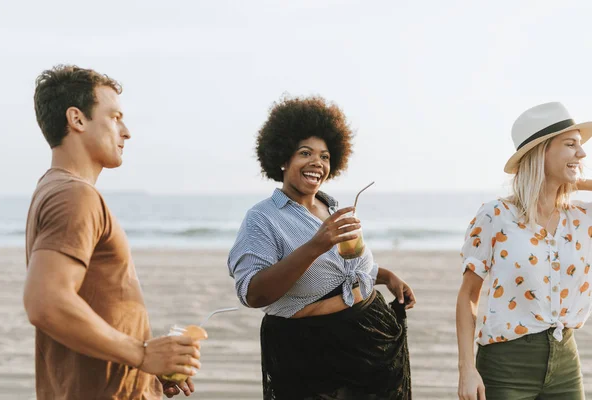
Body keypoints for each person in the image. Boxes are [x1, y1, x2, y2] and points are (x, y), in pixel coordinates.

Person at [23, 65, 203, 399]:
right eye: (115, 117)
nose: (127, 131)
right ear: (77, 119)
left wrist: (146, 364)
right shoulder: (74, 195)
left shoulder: (53, 188)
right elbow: (45, 302)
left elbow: (90, 302)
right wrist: (141, 354)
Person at [228, 95, 416, 400]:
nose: (318, 163)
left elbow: (343, 269)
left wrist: (386, 276)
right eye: (305, 153)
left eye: (325, 156)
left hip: (373, 335)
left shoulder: (333, 208)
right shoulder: (261, 219)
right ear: (282, 157)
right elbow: (253, 292)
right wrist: (315, 245)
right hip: (311, 352)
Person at [456, 102, 592, 400]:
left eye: (580, 146)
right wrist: (467, 368)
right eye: (570, 145)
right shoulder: (495, 216)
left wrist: (575, 180)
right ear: (540, 151)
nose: (582, 154)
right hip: (506, 364)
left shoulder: (583, 218)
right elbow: (468, 296)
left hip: (565, 361)